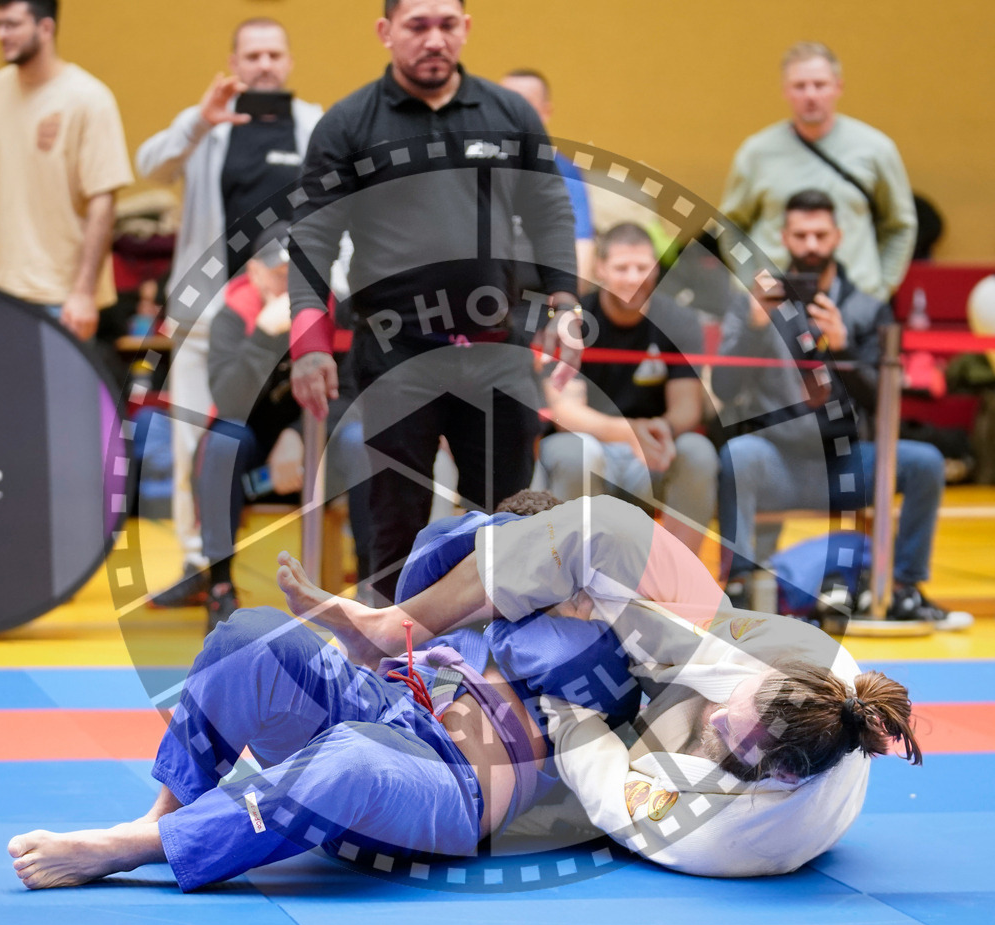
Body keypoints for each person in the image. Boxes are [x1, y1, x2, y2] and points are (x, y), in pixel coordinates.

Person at [8, 492, 920, 889]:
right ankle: (159, 811)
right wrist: (385, 625)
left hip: (451, 784)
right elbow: (467, 565)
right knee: (247, 638)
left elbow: (629, 780)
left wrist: (576, 706)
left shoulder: (654, 670)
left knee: (348, 765)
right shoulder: (493, 583)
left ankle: (138, 848)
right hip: (396, 702)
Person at [287, 0, 582, 603]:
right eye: (417, 25)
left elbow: (549, 209)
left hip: (498, 352)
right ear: (385, 31)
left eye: (447, 25)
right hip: (397, 354)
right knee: (394, 527)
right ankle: (389, 649)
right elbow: (314, 236)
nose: (434, 39)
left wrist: (565, 301)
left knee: (508, 524)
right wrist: (309, 344)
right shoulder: (348, 124)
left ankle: (497, 650)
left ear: (465, 29)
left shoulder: (509, 113)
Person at [713, 189, 972, 629]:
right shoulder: (753, 304)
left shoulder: (868, 309)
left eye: (820, 234)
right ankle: (738, 588)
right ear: (784, 238)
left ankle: (904, 590)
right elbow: (723, 388)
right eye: (801, 235)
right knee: (738, 455)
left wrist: (845, 349)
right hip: (779, 463)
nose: (811, 245)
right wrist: (755, 330)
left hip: (847, 466)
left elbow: (883, 402)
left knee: (925, 462)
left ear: (838, 236)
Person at [136, 18, 322, 608]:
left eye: (274, 54)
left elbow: (339, 208)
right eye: (252, 55)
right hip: (211, 311)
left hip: (291, 311)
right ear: (235, 63)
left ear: (288, 61)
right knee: (196, 442)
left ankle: (321, 564)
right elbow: (149, 166)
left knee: (297, 432)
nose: (264, 64)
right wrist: (198, 120)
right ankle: (201, 565)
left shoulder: (313, 124)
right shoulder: (208, 127)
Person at [193, 225, 372, 633]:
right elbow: (230, 401)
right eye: (280, 274)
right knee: (223, 440)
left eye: (301, 274)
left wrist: (297, 435)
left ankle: (370, 585)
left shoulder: (339, 314)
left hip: (323, 456)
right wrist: (263, 336)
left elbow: (352, 398)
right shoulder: (231, 318)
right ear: (254, 273)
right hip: (256, 463)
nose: (291, 285)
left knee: (361, 439)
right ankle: (220, 585)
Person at [539, 223, 717, 555]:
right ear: (601, 269)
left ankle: (677, 576)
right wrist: (630, 432)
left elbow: (687, 406)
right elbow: (565, 412)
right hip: (588, 447)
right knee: (574, 452)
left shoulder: (679, 320)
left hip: (651, 454)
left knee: (698, 451)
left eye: (642, 267)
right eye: (622, 268)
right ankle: (573, 575)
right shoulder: (573, 322)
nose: (634, 278)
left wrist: (662, 428)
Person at [0, 0, 133, 340]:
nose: (1, 35)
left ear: (46, 28)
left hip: (61, 298)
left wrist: (84, 292)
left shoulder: (89, 99)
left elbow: (103, 203)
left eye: (12, 24)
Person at [720, 41, 916, 302]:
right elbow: (730, 225)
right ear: (785, 91)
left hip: (854, 296)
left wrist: (880, 291)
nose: (810, 95)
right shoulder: (756, 152)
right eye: (800, 86)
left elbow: (900, 225)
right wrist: (751, 281)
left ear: (838, 87)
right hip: (778, 301)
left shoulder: (876, 149)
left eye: (820, 84)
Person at [499, 69, 595, 291]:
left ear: (546, 112)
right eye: (504, 104)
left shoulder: (567, 173)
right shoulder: (477, 164)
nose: (511, 113)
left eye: (523, 104)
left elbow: (581, 269)